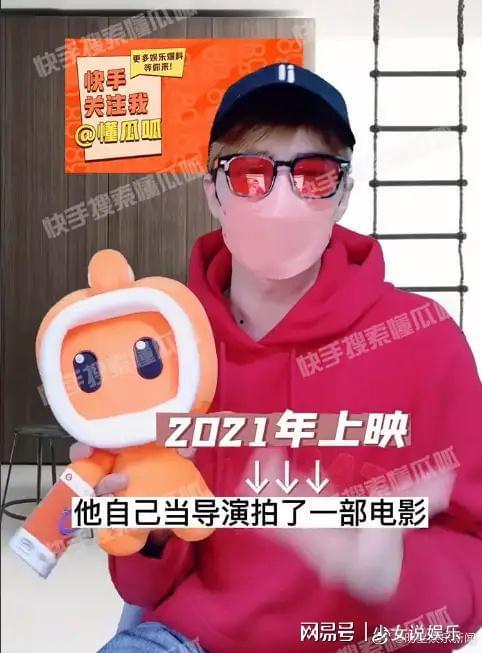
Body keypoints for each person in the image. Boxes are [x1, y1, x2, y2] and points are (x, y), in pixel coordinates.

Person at [71, 63, 482, 652]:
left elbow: (472, 553)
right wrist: (147, 527)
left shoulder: (424, 340)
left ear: (343, 193)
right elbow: (142, 587)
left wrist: (397, 575)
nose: (281, 200)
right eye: (250, 173)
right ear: (212, 191)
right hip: (191, 638)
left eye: (313, 174)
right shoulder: (161, 352)